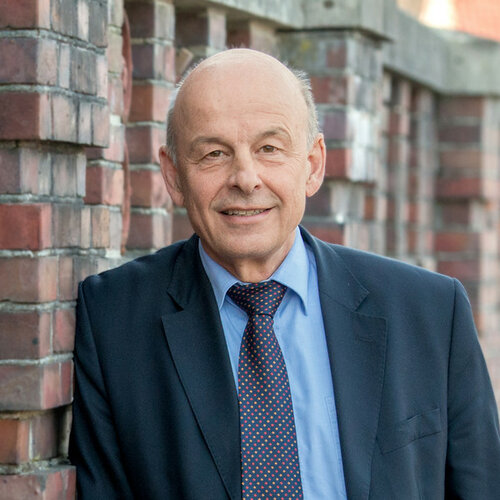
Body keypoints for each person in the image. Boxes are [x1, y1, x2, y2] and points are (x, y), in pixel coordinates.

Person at [69, 49, 500, 499]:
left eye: (269, 149)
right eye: (214, 154)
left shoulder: (431, 312)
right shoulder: (114, 321)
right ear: (174, 175)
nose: (246, 178)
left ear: (313, 165)